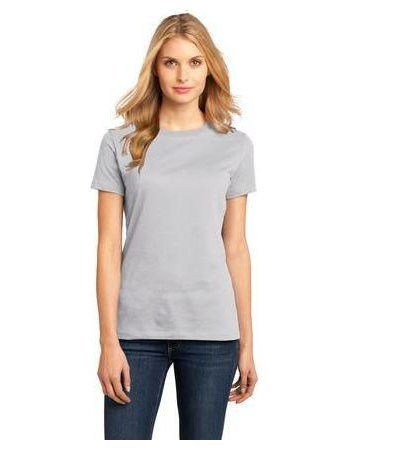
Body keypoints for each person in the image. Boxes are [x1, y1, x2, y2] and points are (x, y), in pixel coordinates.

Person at [90, 12, 258, 440]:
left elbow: (236, 247)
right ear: (155, 68)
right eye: (171, 62)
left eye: (194, 62)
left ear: (210, 68)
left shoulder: (235, 147)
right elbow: (108, 246)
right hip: (134, 333)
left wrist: (247, 343)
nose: (183, 75)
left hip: (212, 333)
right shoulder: (119, 143)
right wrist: (108, 341)